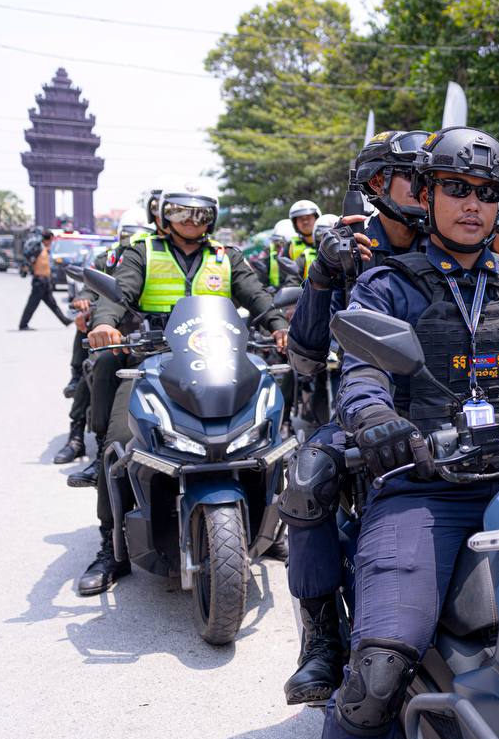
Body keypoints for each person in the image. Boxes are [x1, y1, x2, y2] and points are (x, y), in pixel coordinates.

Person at [319, 126, 499, 739]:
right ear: (427, 194)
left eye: (488, 193)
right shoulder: (387, 285)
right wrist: (374, 418)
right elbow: (362, 373)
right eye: (457, 188)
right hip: (426, 487)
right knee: (378, 675)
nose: (473, 204)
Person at [279, 129, 432, 705]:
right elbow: (305, 356)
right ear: (377, 184)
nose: (432, 188)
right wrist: (322, 273)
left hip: (456, 405)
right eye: (418, 177)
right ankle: (321, 638)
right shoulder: (348, 251)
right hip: (365, 408)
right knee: (306, 481)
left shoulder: (460, 239)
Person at [76, 189, 289, 597]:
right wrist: (105, 323)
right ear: (163, 215)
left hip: (221, 360)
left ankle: (269, 527)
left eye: (200, 213)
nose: (191, 221)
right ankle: (111, 547)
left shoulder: (227, 256)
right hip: (154, 358)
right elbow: (118, 294)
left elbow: (256, 295)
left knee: (271, 431)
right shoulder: (142, 252)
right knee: (119, 440)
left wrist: (279, 325)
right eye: (180, 212)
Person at [54, 209, 152, 475]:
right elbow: (92, 287)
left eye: (141, 235)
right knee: (101, 365)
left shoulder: (156, 258)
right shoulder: (109, 259)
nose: (134, 240)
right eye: (129, 235)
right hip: (114, 332)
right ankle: (84, 439)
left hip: (153, 336)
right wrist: (86, 303)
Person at [18, 230, 72, 330]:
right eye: (51, 240)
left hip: (45, 282)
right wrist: (26, 268)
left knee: (52, 304)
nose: (52, 242)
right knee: (32, 304)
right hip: (39, 282)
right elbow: (27, 256)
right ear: (48, 239)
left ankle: (65, 321)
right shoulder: (37, 247)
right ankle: (23, 325)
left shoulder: (45, 249)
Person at [289, 200, 323, 279]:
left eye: (308, 217)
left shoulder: (329, 243)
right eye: (300, 219)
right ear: (295, 223)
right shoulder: (290, 247)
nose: (305, 222)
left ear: (317, 218)